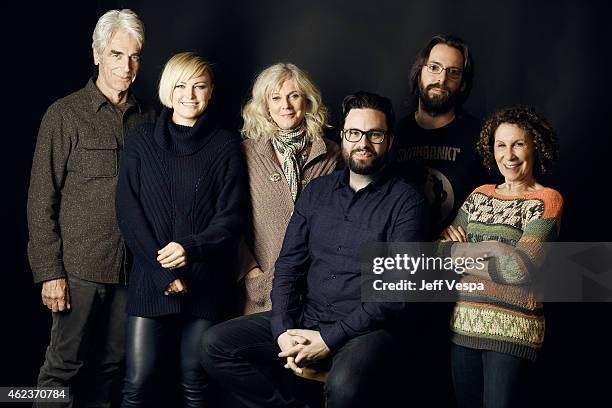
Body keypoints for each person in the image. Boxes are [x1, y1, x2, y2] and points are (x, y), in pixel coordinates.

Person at [201, 91, 428, 408]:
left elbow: (395, 293)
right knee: (215, 345)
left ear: (389, 141)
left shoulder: (408, 201)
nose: (363, 143)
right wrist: (283, 330)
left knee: (345, 387)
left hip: (366, 330)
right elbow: (289, 267)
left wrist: (328, 339)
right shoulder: (317, 193)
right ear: (343, 137)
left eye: (375, 134)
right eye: (354, 133)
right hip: (309, 316)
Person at [27, 9, 154, 407]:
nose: (127, 66)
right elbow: (40, 197)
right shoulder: (64, 114)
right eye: (117, 54)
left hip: (130, 270)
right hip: (79, 268)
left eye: (134, 56)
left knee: (112, 366)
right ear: (97, 54)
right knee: (62, 366)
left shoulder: (149, 119)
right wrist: (50, 272)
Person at [115, 52, 247, 407]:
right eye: (181, 85)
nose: (189, 94)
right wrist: (163, 271)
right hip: (151, 278)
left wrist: (190, 248)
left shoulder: (226, 144)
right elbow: (129, 213)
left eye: (199, 86)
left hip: (205, 280)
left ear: (211, 91)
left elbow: (231, 218)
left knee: (195, 385)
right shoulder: (141, 141)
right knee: (138, 383)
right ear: (166, 89)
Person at [439, 106, 563, 408]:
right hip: (463, 327)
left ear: (535, 145)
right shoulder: (479, 194)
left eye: (518, 144)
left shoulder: (546, 200)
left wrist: (469, 252)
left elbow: (519, 269)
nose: (509, 155)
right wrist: (495, 249)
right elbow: (439, 254)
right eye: (501, 144)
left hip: (513, 333)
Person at [239, 63, 341, 314]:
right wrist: (252, 273)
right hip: (262, 293)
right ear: (265, 105)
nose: (285, 105)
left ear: (307, 101)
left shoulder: (333, 154)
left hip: (317, 293)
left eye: (293, 96)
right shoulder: (245, 153)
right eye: (276, 98)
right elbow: (229, 221)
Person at [393, 34, 485, 238]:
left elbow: (498, 198)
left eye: (453, 72)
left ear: (462, 84)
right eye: (434, 67)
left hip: (456, 260)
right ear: (419, 73)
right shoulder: (394, 135)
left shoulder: (481, 137)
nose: (442, 79)